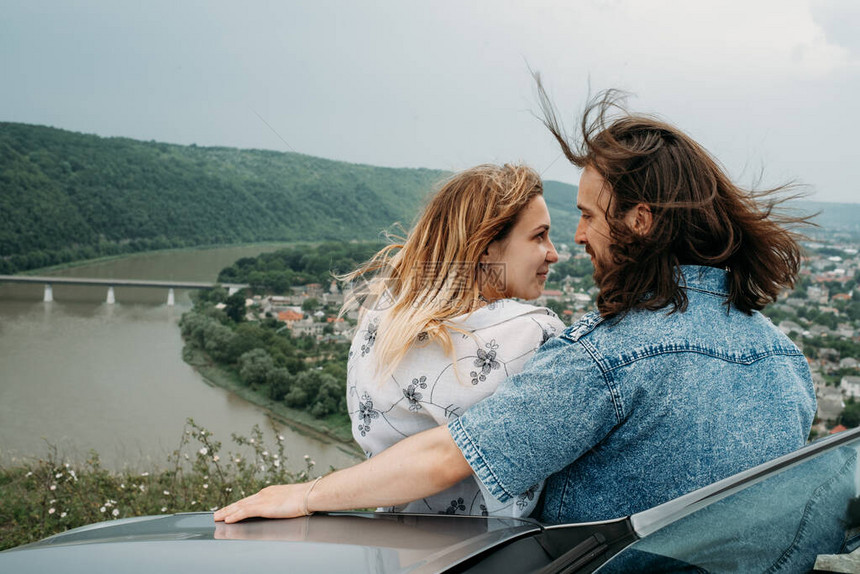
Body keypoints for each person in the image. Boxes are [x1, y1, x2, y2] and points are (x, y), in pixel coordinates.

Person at [215, 90, 816, 526]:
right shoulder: (786, 362)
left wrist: (305, 494)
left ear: (640, 220)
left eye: (585, 215)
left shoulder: (608, 359)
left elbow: (453, 454)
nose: (576, 241)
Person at [342, 164, 564, 516]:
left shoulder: (377, 323)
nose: (553, 253)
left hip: (388, 543)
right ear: (488, 248)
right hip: (497, 550)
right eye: (539, 236)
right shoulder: (534, 334)